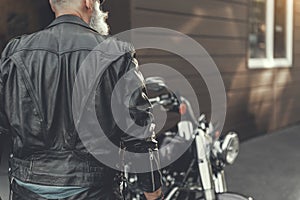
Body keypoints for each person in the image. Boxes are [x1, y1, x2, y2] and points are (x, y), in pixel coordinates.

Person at [0, 0, 163, 199]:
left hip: (28, 187)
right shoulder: (116, 53)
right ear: (88, 2)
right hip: (95, 189)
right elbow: (138, 130)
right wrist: (152, 189)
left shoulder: (15, 52)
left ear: (52, 3)